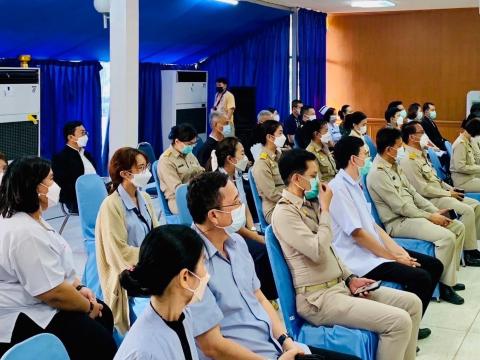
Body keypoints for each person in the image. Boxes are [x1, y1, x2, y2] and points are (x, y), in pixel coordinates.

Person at [186, 172, 359, 360]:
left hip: (274, 346)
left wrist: (286, 341)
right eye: (236, 202)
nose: (241, 207)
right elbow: (213, 347)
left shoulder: (237, 243)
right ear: (213, 215)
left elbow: (258, 298)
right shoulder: (192, 265)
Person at [271, 149, 421, 360]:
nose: (319, 182)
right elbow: (317, 251)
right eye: (313, 176)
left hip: (339, 286)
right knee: (398, 321)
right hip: (318, 299)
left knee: (412, 304)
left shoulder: (308, 204)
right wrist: (325, 210)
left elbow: (332, 250)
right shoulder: (284, 213)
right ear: (297, 179)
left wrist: (350, 278)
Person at [0, 157, 116, 359]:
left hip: (44, 298)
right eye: (51, 180)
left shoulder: (31, 220)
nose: (56, 186)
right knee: (98, 336)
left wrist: (80, 288)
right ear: (36, 187)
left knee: (103, 313)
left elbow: (56, 270)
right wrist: (88, 306)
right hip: (27, 313)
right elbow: (52, 292)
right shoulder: (24, 232)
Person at [330, 137, 443, 340]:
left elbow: (372, 226)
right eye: (365, 154)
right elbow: (358, 235)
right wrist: (393, 257)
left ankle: (413, 324)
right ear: (354, 159)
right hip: (359, 259)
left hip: (375, 251)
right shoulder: (338, 188)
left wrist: (398, 252)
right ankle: (407, 331)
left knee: (433, 265)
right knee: (421, 277)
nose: (369, 157)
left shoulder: (354, 184)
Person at [367, 128, 465, 305]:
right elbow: (401, 207)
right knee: (446, 237)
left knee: (457, 226)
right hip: (398, 222)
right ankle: (442, 286)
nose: (403, 149)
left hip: (414, 215)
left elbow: (413, 193)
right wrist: (430, 216)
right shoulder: (378, 173)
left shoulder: (394, 165)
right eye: (399, 146)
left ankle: (448, 280)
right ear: (389, 149)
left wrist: (432, 211)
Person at [114, 225, 207, 360]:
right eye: (203, 262)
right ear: (185, 277)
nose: (206, 272)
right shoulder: (144, 352)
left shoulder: (182, 314)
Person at [96, 147, 159, 333]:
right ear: (124, 173)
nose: (145, 172)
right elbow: (119, 253)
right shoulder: (111, 206)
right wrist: (154, 256)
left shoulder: (145, 197)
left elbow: (156, 234)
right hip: (129, 276)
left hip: (149, 266)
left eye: (145, 166)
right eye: (140, 167)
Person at [400, 121, 480, 266]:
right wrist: (448, 194)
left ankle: (471, 245)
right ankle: (468, 253)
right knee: (467, 210)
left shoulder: (421, 154)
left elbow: (436, 179)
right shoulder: (408, 160)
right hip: (431, 199)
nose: (425, 135)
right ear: (412, 137)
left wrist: (450, 189)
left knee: (475, 204)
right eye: (421, 133)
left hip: (440, 194)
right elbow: (422, 189)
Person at [214, 137, 278, 301]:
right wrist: (255, 236)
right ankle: (267, 296)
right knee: (261, 250)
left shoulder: (236, 174)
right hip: (227, 231)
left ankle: (273, 292)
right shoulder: (218, 183)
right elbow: (228, 223)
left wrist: (253, 229)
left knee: (270, 242)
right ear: (230, 159)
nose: (246, 158)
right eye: (242, 154)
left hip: (243, 229)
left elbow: (244, 206)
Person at [158, 124, 205, 214]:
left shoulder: (188, 154)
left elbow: (201, 171)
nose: (192, 147)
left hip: (196, 194)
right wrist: (196, 181)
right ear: (177, 141)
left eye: (194, 143)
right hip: (178, 201)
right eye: (189, 144)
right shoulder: (166, 160)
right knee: (209, 208)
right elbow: (178, 190)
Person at [51, 121, 96, 213]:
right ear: (71, 137)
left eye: (86, 133)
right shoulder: (61, 158)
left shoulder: (87, 155)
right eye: (82, 133)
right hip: (76, 199)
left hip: (94, 193)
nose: (85, 136)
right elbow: (62, 185)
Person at [251, 120, 286, 224]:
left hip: (287, 203)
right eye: (280, 133)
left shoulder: (279, 156)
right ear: (270, 137)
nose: (283, 136)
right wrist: (294, 197)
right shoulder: (262, 163)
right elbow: (272, 194)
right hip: (274, 208)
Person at [450, 117, 480, 192]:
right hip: (462, 182)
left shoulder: (468, 140)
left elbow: (477, 157)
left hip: (469, 177)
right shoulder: (461, 144)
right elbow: (460, 167)